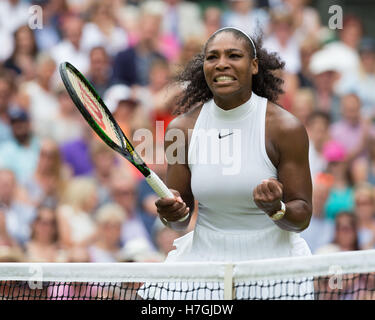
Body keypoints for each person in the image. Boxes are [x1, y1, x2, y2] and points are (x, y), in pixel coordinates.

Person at [151, 27, 313, 299]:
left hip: (273, 268)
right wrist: (172, 213)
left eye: (233, 55)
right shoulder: (181, 130)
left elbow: (302, 216)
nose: (221, 63)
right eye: (212, 57)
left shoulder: (285, 128)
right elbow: (180, 220)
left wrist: (276, 208)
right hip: (205, 265)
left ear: (253, 66)